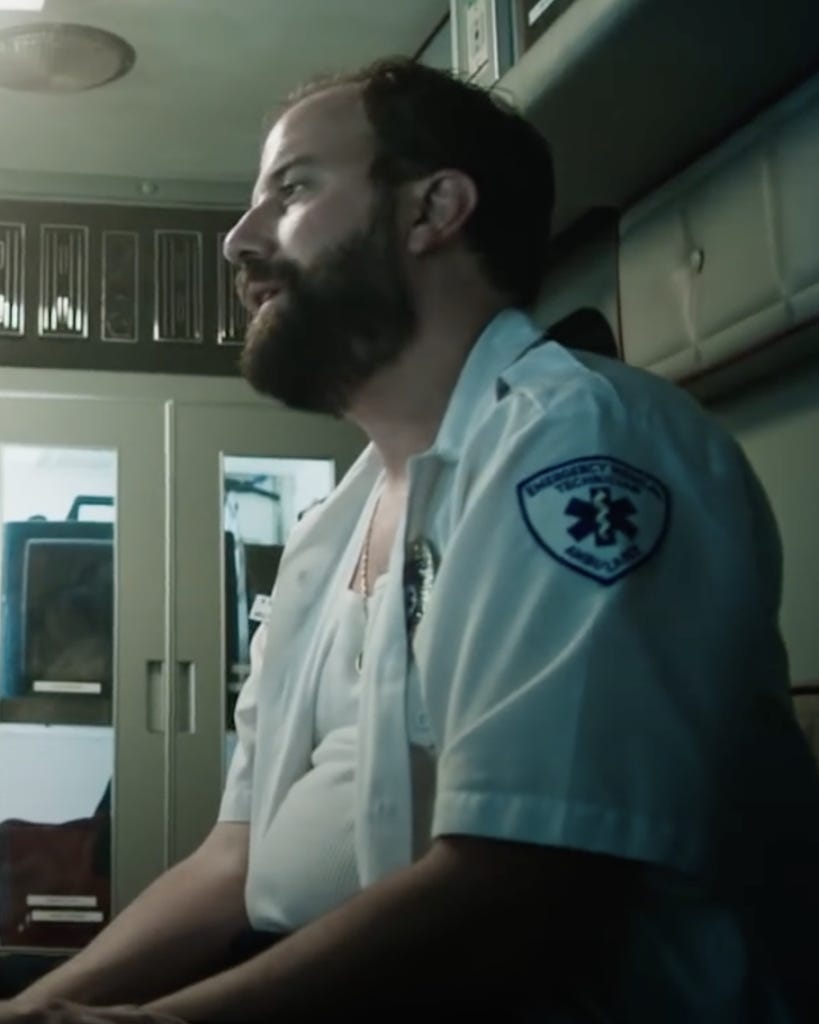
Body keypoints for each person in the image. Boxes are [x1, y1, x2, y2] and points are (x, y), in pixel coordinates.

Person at [4, 56, 819, 1023]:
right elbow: (233, 862)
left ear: (434, 210)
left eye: (292, 190)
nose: (238, 238)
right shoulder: (327, 531)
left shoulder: (579, 442)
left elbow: (522, 880)